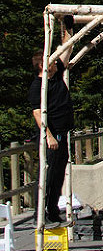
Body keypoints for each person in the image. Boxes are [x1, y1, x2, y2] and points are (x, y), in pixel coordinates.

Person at [29, 18, 74, 227]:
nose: (54, 62)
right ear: (41, 65)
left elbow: (66, 49)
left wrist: (68, 28)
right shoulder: (37, 85)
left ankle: (54, 209)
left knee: (59, 173)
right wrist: (47, 136)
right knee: (48, 173)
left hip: (62, 132)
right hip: (51, 134)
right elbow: (37, 114)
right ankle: (43, 212)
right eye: (50, 60)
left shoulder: (56, 77)